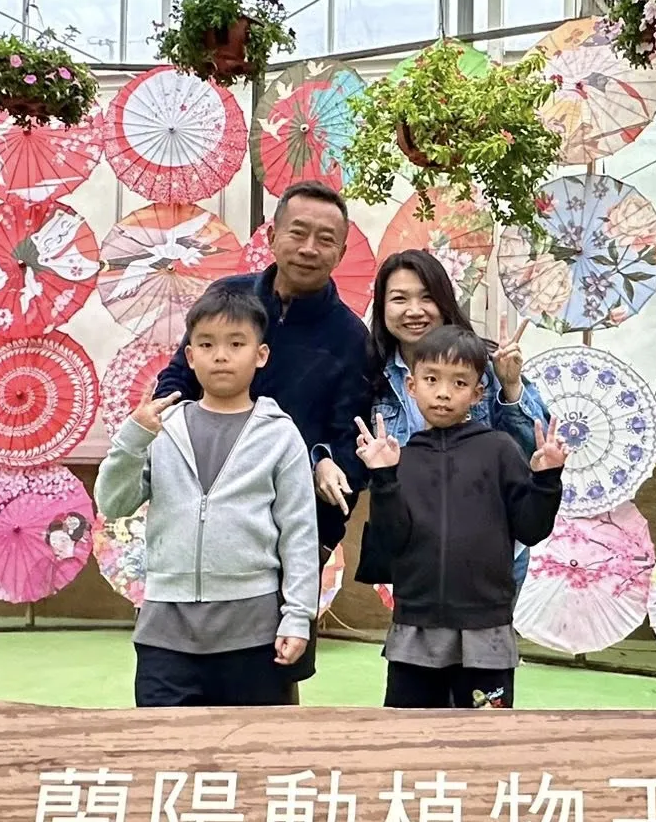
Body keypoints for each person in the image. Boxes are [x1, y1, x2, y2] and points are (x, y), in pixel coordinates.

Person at [151, 180, 370, 695]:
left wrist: (327, 467)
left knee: (272, 676)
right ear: (272, 236)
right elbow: (179, 378)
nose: (309, 248)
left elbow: (352, 440)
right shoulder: (229, 300)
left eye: (326, 239)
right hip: (209, 518)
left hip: (296, 527)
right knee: (181, 683)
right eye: (298, 232)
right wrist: (161, 431)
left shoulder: (351, 338)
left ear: (341, 252)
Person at [99, 290, 319, 707]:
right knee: (163, 744)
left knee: (253, 746)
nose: (221, 356)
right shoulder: (161, 429)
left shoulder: (280, 434)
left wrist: (297, 616)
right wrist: (132, 438)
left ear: (261, 355)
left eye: (236, 344)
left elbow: (300, 533)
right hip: (165, 631)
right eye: (206, 344)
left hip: (253, 633)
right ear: (190, 355)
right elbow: (113, 503)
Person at [354, 325, 568, 709]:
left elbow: (532, 528)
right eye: (431, 379)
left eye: (459, 382)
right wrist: (383, 477)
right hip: (415, 627)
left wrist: (547, 479)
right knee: (408, 736)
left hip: (486, 630)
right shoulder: (401, 459)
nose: (443, 393)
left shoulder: (500, 450)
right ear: (411, 386)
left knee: (485, 739)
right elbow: (391, 540)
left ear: (477, 393)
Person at [362, 248, 548, 587]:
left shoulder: (485, 365)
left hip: (490, 546)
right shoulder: (372, 374)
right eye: (400, 299)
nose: (414, 311)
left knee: (489, 624)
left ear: (444, 302)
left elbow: (535, 450)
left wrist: (510, 386)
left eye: (427, 297)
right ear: (382, 307)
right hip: (414, 548)